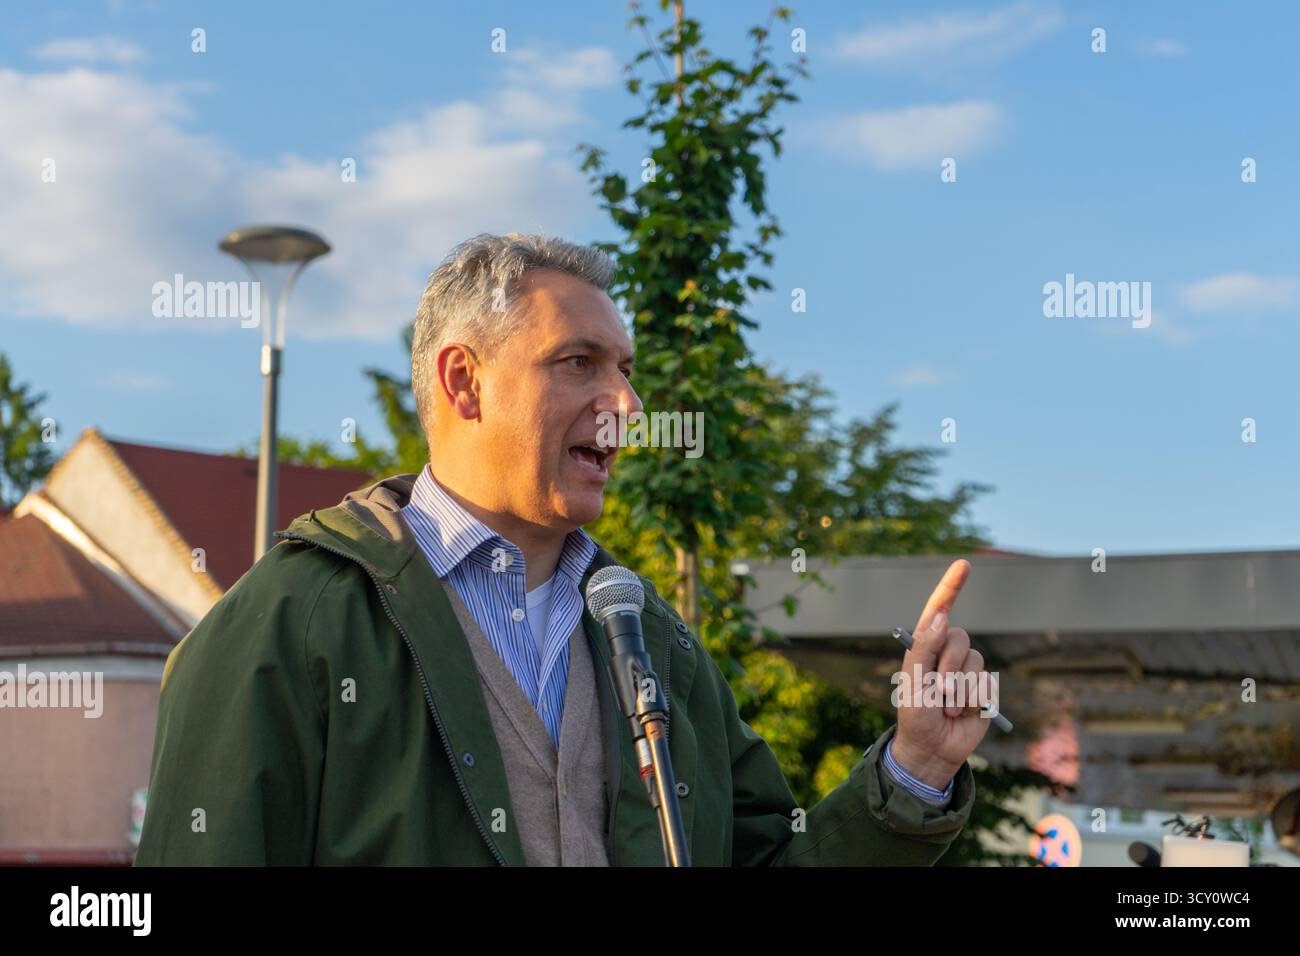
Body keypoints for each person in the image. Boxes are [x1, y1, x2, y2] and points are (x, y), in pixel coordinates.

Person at [135, 233, 991, 866]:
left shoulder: (656, 642)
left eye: (625, 370)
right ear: (463, 382)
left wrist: (914, 766)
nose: (624, 400)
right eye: (579, 363)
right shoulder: (289, 626)